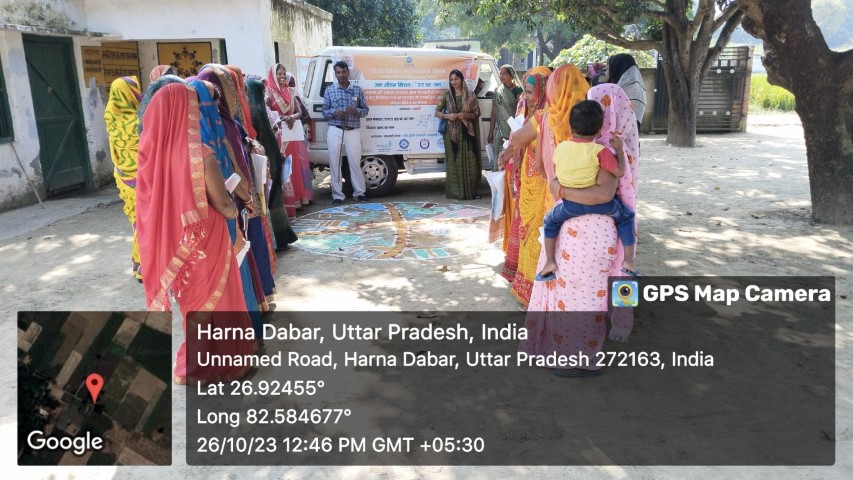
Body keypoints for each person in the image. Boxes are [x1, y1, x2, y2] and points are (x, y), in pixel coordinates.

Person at [136, 82, 257, 385]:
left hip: (178, 246)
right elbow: (224, 205)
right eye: (192, 106)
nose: (197, 113)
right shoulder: (201, 155)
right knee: (221, 301)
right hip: (207, 240)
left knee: (194, 307)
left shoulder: (152, 159)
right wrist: (237, 211)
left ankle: (195, 364)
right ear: (183, 112)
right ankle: (223, 363)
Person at [519, 82, 641, 378]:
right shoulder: (609, 151)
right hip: (594, 234)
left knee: (574, 297)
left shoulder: (571, 147)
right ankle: (577, 357)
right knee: (586, 299)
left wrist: (561, 190)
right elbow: (605, 194)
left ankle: (569, 357)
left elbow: (593, 192)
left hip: (578, 233)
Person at [498, 64, 589, 308]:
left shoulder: (546, 117)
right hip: (582, 193)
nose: (526, 97)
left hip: (546, 187)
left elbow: (524, 146)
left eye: (531, 92)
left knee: (537, 236)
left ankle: (535, 294)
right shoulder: (588, 118)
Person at [536, 100, 636, 281]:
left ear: (571, 127)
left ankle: (550, 262)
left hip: (569, 206)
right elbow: (620, 172)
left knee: (550, 222)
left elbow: (559, 173)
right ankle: (628, 261)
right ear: (599, 131)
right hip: (603, 206)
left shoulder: (560, 148)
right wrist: (620, 151)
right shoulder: (601, 151)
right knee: (626, 217)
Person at [498, 70, 549, 283]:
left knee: (533, 230)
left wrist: (512, 148)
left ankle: (532, 280)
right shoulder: (536, 112)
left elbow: (519, 139)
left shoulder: (542, 115)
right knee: (527, 227)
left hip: (539, 181)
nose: (525, 97)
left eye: (529, 92)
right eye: (525, 92)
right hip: (529, 178)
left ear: (542, 91)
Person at [246, 78, 299, 250]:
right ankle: (280, 237)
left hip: (264, 162)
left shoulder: (254, 111)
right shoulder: (257, 111)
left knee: (269, 200)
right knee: (273, 200)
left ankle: (277, 238)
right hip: (269, 161)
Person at [104, 76, 143, 281]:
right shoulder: (140, 121)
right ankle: (145, 266)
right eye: (135, 89)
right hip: (143, 178)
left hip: (123, 177)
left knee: (137, 222)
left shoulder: (111, 118)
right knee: (147, 223)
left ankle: (139, 264)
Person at [265, 64, 312, 215]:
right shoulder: (269, 92)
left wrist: (292, 117)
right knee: (282, 166)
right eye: (279, 74)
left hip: (292, 134)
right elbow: (267, 112)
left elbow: (300, 112)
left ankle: (296, 200)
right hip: (279, 134)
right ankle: (285, 203)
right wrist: (281, 118)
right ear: (273, 75)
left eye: (284, 73)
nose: (282, 76)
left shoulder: (290, 91)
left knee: (294, 167)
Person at [322, 60, 370, 205]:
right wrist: (334, 112)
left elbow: (365, 110)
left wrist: (356, 111)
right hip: (335, 130)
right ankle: (338, 195)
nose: (341, 75)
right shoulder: (330, 90)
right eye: (338, 72)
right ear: (335, 74)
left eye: (344, 72)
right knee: (335, 163)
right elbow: (324, 111)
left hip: (352, 130)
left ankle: (359, 193)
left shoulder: (357, 90)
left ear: (348, 72)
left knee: (355, 162)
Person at [435, 69, 482, 200]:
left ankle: (471, 192)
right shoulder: (447, 96)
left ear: (461, 79)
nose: (454, 82)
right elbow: (437, 112)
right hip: (452, 135)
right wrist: (448, 116)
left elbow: (477, 113)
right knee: (454, 162)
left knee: (470, 162)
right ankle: (456, 193)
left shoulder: (471, 95)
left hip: (468, 133)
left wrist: (464, 115)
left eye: (456, 79)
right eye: (451, 80)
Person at [488, 65, 523, 171]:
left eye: (505, 73)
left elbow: (520, 112)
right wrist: (490, 132)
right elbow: (494, 112)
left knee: (510, 158)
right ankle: (496, 178)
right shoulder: (497, 91)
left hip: (512, 130)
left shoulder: (518, 91)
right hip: (499, 131)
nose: (502, 76)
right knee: (498, 158)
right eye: (501, 73)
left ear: (511, 75)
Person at [606, 53, 647, 129]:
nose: (605, 73)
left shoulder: (614, 93)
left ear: (615, 71)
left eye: (607, 69)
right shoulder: (638, 92)